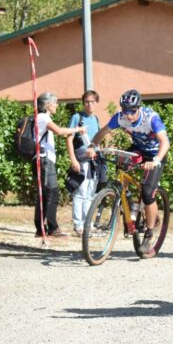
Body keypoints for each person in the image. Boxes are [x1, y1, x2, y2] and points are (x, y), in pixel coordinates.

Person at [87, 89, 170, 252]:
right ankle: (130, 208)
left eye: (132, 111)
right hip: (138, 150)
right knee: (120, 168)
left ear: (139, 108)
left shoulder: (151, 118)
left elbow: (165, 142)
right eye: (126, 111)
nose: (129, 115)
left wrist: (156, 161)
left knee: (147, 193)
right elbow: (102, 133)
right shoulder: (120, 117)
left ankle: (149, 234)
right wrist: (92, 146)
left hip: (156, 154)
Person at [32, 92, 86, 238]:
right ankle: (52, 228)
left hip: (43, 160)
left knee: (44, 194)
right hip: (45, 160)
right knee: (52, 193)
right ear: (47, 104)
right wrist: (77, 129)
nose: (56, 105)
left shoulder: (41, 118)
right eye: (54, 103)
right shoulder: (43, 117)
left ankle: (40, 228)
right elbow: (60, 131)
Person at [66, 90, 102, 236]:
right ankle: (78, 225)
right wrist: (73, 159)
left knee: (90, 193)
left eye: (92, 101)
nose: (89, 104)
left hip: (94, 161)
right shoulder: (77, 117)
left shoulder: (96, 119)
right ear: (83, 103)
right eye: (87, 101)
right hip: (81, 160)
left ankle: (88, 224)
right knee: (80, 193)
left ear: (97, 103)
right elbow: (69, 138)